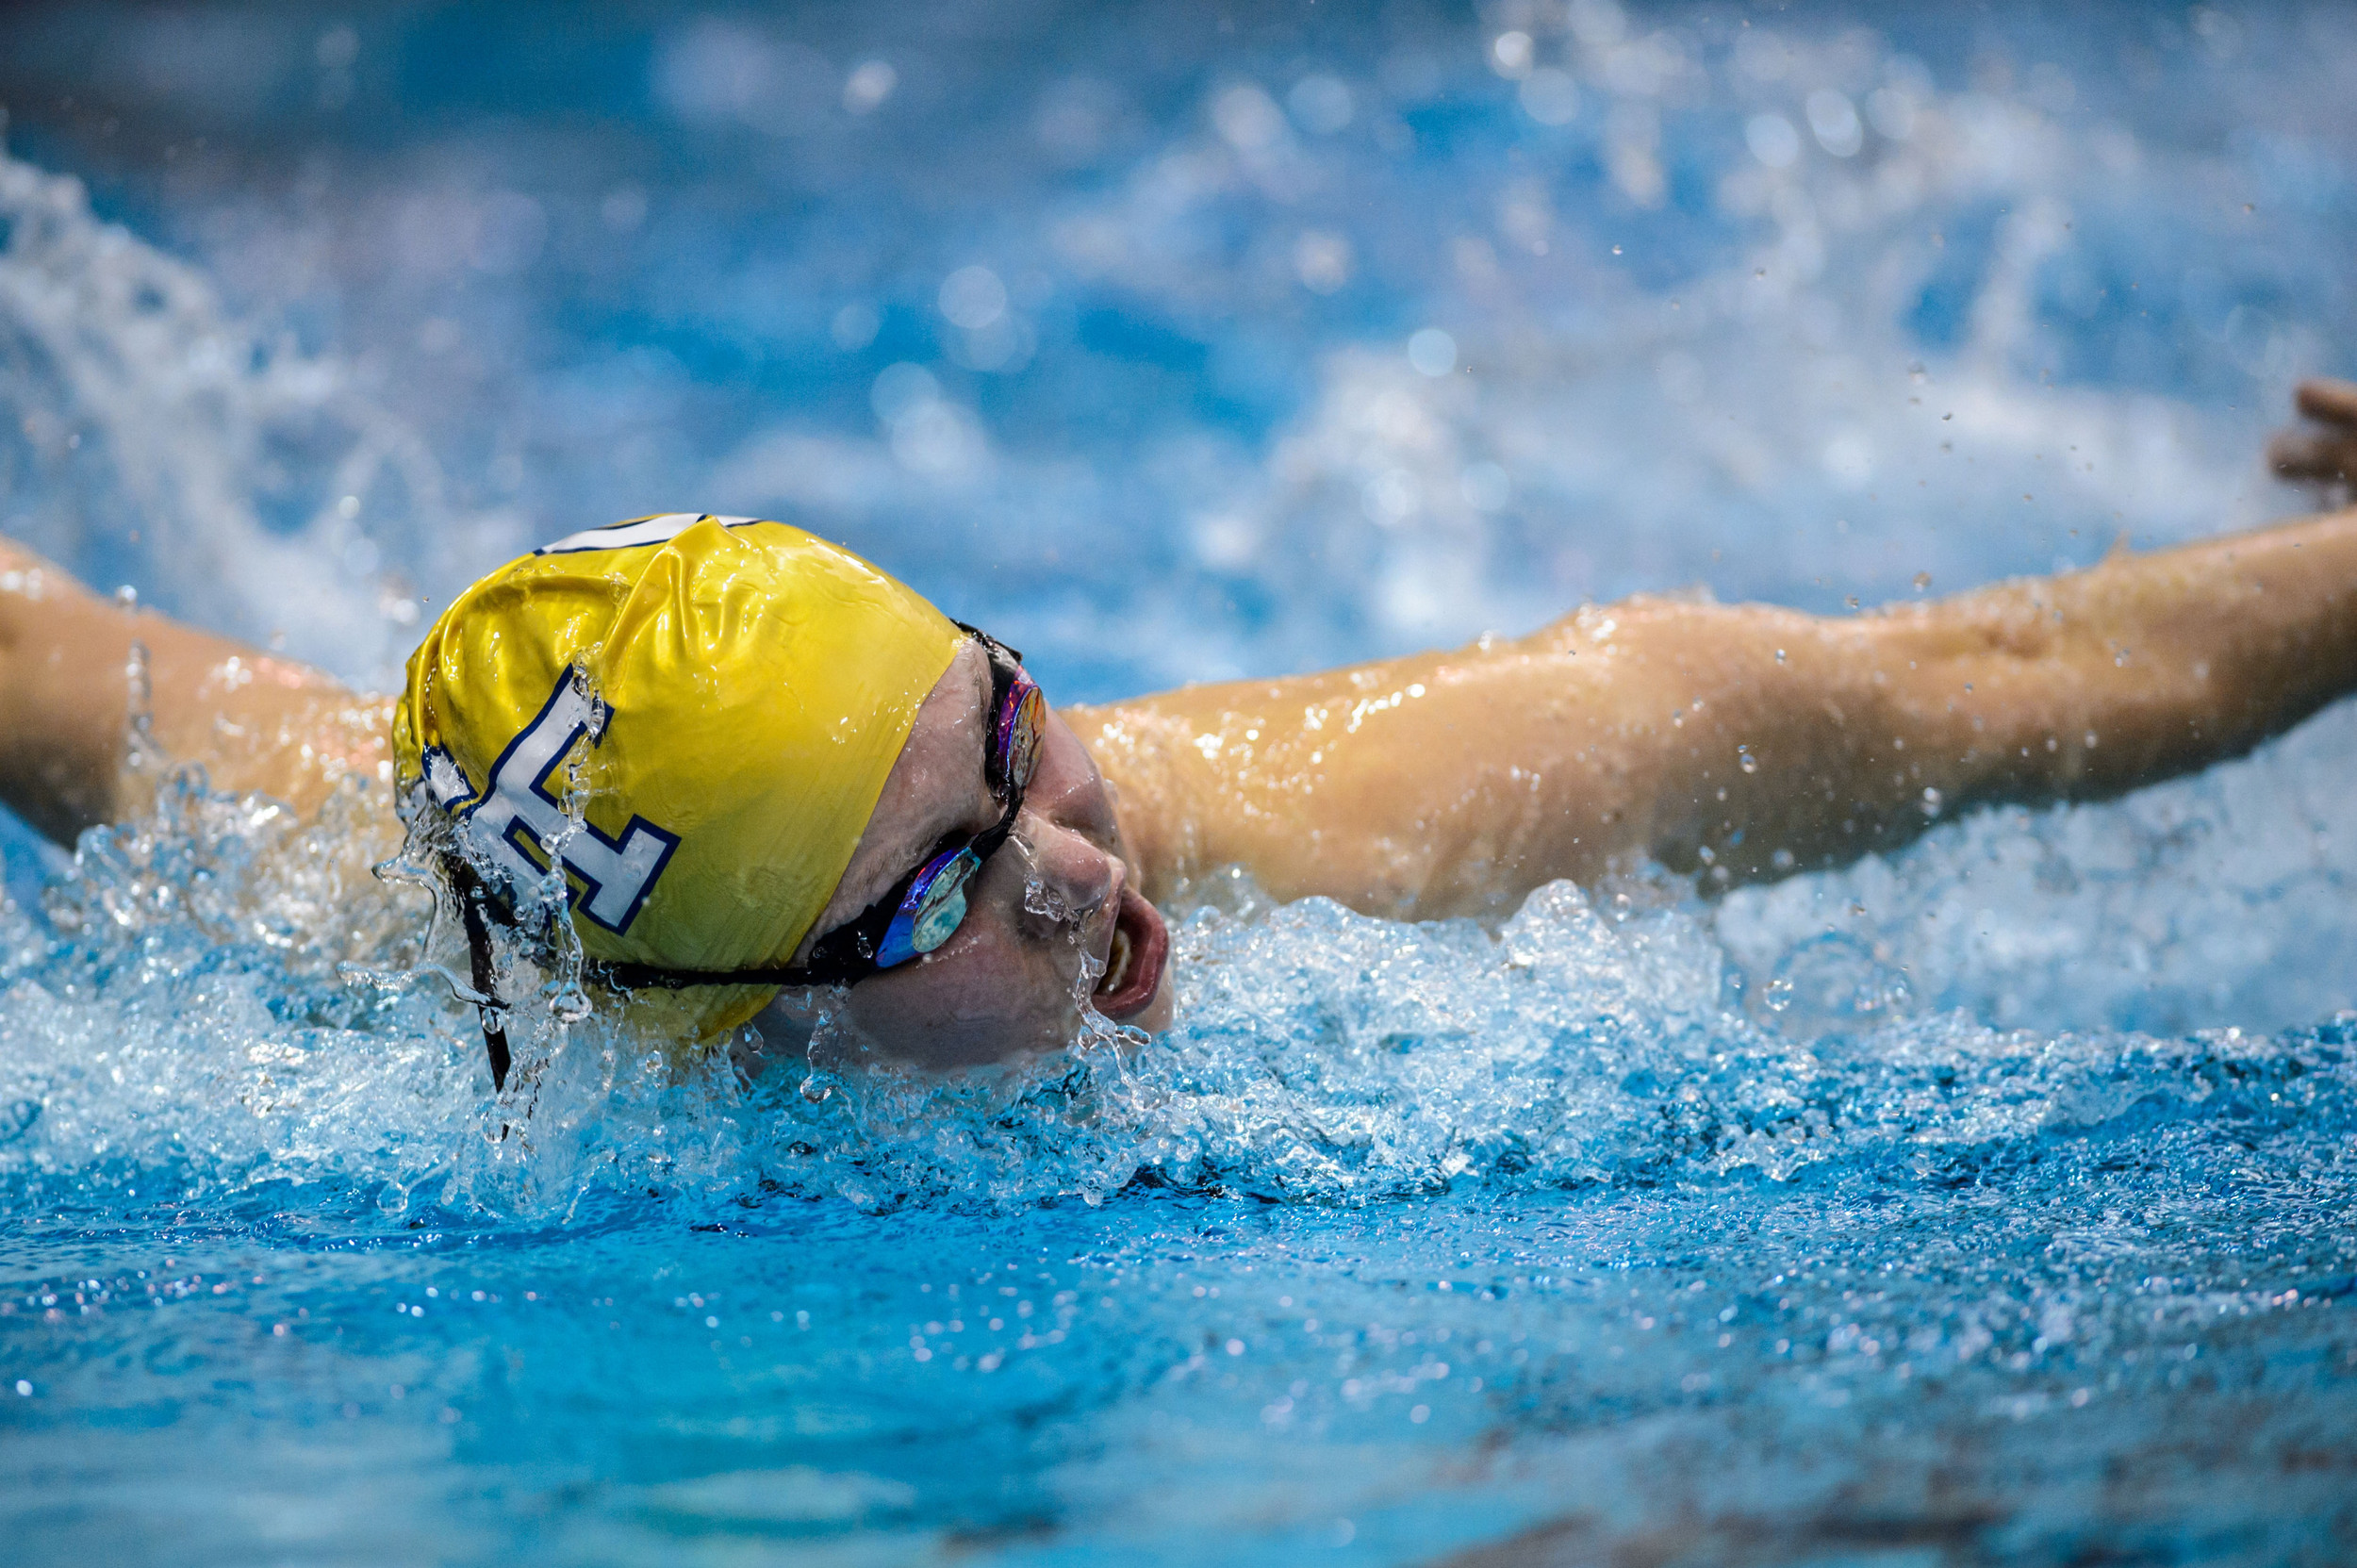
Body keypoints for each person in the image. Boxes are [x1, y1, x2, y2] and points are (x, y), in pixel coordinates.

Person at [4, 381, 2357, 1078]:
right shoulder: (319, 891)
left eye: (1012, 732)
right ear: (711, 1022)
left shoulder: (1322, 831)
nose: (1080, 867)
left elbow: (1962, 691)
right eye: (931, 885)